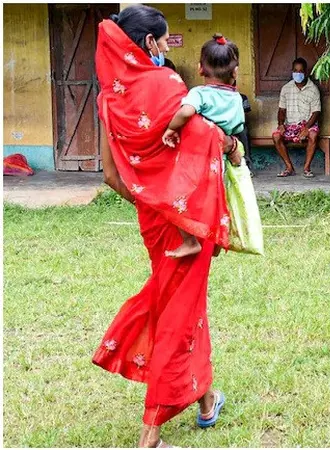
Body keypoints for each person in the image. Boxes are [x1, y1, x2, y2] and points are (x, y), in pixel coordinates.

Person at [93, 5, 236, 447]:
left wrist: (152, 202)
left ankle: (207, 401)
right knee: (179, 312)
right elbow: (200, 139)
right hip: (185, 221)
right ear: (151, 43)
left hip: (154, 222)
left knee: (184, 305)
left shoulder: (107, 97)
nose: (165, 46)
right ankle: (151, 433)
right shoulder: (168, 83)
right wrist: (230, 144)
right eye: (165, 39)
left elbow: (111, 177)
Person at [162, 33, 245, 258]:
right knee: (217, 200)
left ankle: (190, 241)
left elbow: (187, 111)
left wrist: (171, 127)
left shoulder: (199, 93)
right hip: (220, 162)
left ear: (200, 69)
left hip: (196, 161)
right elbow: (237, 127)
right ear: (234, 72)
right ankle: (217, 240)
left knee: (175, 197)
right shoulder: (236, 99)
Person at [273, 57, 322, 178]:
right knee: (276, 136)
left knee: (313, 135)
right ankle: (289, 167)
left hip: (308, 124)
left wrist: (306, 128)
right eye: (295, 70)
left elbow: (316, 112)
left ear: (305, 72)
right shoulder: (286, 88)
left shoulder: (313, 89)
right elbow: (281, 110)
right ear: (292, 71)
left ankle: (306, 168)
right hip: (291, 125)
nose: (297, 74)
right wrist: (281, 124)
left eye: (300, 71)